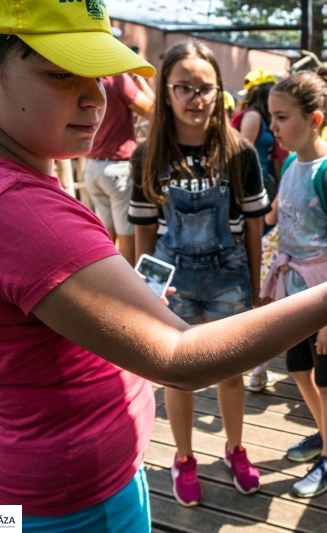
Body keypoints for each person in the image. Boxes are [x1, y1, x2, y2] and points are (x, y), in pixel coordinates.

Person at [0, 1, 327, 529]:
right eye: (62, 74)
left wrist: (120, 299)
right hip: (74, 500)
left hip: (6, 473)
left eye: (99, 74)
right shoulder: (19, 211)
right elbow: (177, 356)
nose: (96, 97)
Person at [128, 40, 271, 506]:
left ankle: (235, 448)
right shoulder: (146, 154)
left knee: (230, 373)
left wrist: (256, 286)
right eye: (184, 87)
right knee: (178, 375)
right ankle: (184, 457)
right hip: (174, 279)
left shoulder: (240, 152)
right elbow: (143, 229)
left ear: (219, 91)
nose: (196, 98)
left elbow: (254, 226)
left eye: (205, 88)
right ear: (166, 91)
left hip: (230, 277)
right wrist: (145, 292)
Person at [263, 67, 327, 498]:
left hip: (326, 297)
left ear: (315, 118)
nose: (273, 127)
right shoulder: (292, 163)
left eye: (282, 117)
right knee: (299, 370)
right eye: (271, 116)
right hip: (293, 291)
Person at [232, 68, 281, 393]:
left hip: (263, 189)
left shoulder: (259, 115)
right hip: (253, 191)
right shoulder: (252, 115)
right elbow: (243, 152)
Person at [84, 69, 154, 266]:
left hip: (93, 168)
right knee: (128, 240)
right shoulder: (117, 79)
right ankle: (124, 293)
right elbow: (154, 111)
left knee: (106, 240)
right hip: (117, 170)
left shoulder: (86, 74)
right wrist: (140, 82)